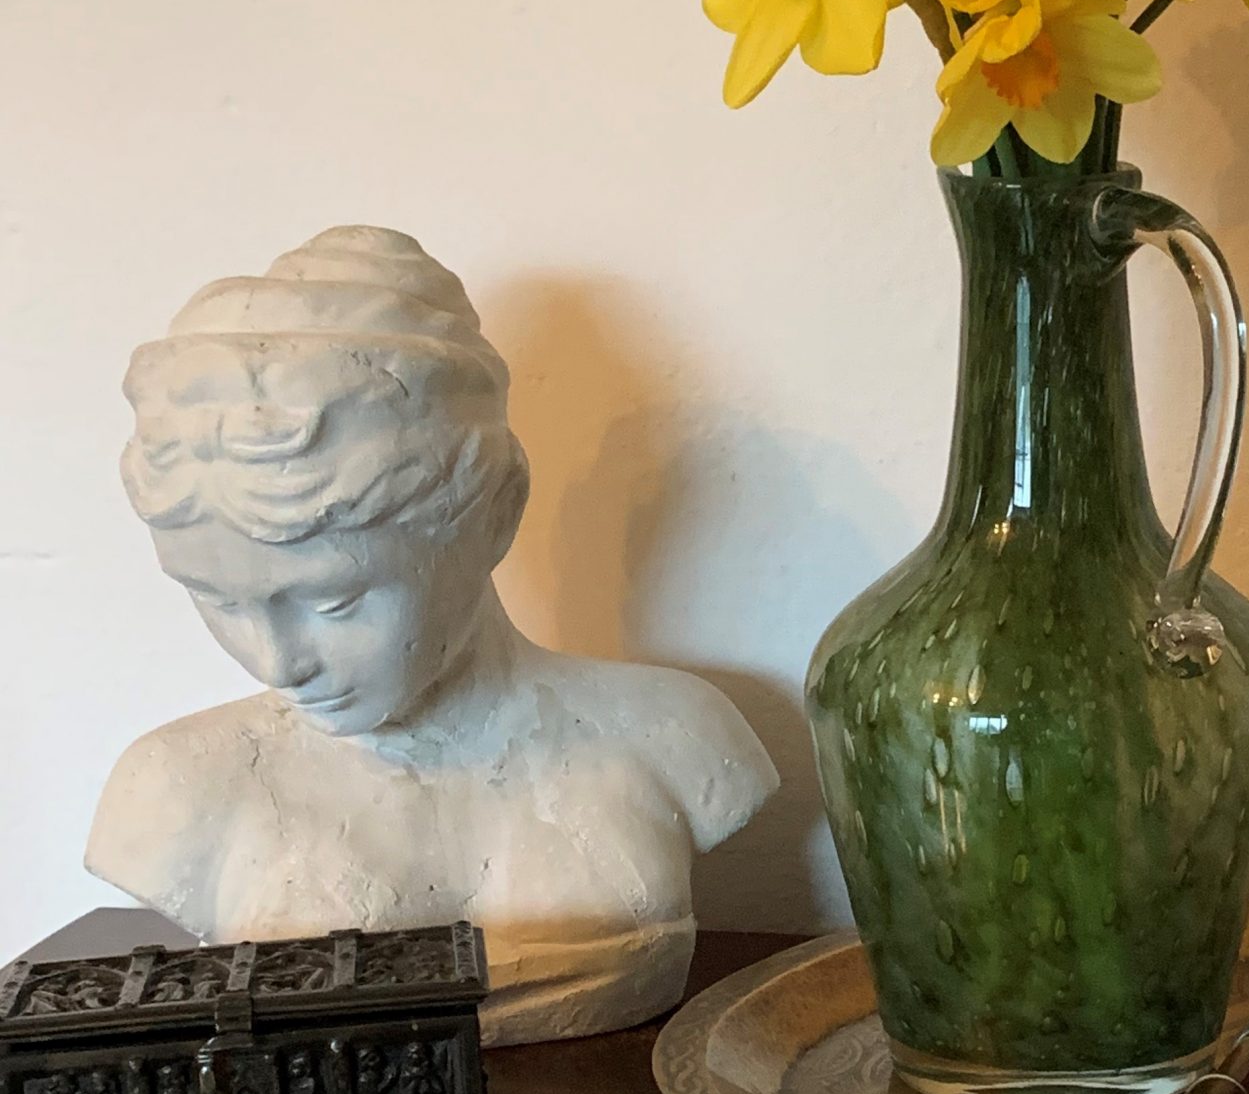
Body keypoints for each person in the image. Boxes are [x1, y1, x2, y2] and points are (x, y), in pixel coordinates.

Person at [88, 227, 777, 1042]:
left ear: (495, 515)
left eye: (337, 601)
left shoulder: (678, 736)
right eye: (220, 601)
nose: (281, 663)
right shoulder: (173, 792)